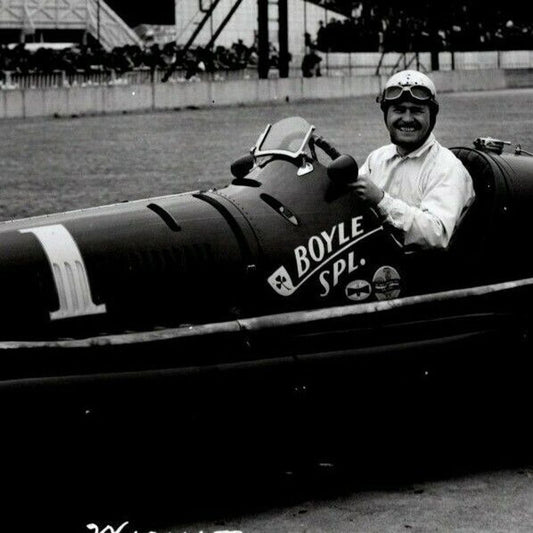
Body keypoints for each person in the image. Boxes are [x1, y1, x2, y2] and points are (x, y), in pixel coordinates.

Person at [352, 69, 475, 249]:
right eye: (399, 110)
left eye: (416, 111)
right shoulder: (376, 158)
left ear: (432, 116)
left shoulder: (447, 167)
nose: (407, 119)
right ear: (386, 114)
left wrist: (381, 200)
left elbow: (437, 234)